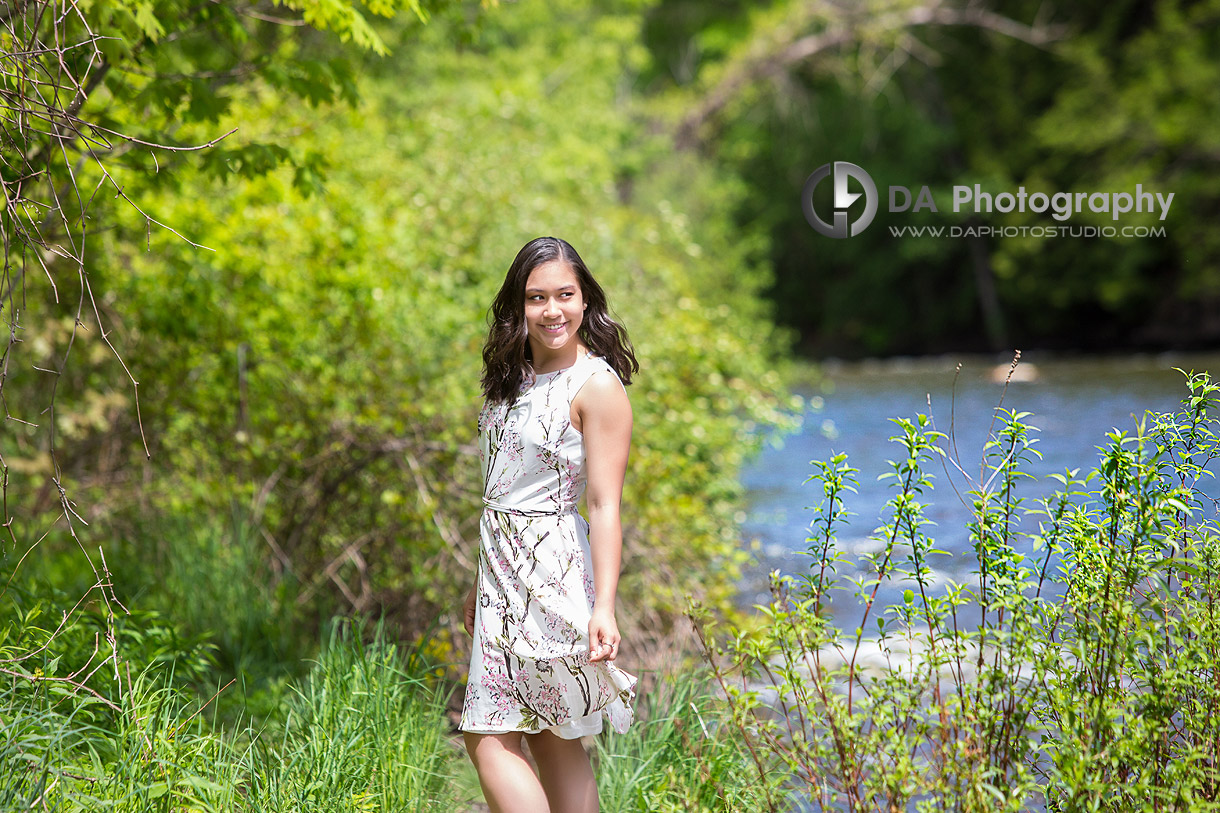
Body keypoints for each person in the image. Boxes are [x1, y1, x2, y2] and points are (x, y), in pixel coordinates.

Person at [459, 236, 639, 812]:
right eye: (537, 298)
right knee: (547, 732)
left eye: (565, 294)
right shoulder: (511, 380)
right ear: (519, 306)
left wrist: (604, 606)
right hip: (502, 576)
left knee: (487, 735)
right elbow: (502, 489)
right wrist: (482, 581)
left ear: (586, 300)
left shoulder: (597, 386)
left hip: (551, 575)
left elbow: (605, 505)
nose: (552, 310)